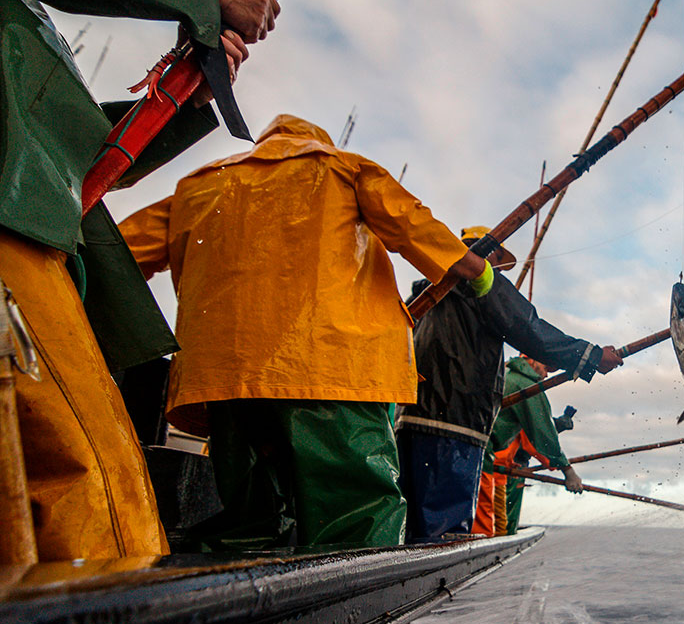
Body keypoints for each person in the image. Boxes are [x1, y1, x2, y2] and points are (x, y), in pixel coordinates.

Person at [0, 0, 278, 564]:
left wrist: (185, 101)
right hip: (15, 237)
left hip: (38, 234)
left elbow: (76, 157)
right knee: (94, 489)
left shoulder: (24, 27)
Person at [119, 115, 489, 550]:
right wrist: (475, 270)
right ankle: (356, 593)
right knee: (354, 514)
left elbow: (119, 255)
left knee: (250, 513)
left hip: (223, 375)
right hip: (329, 366)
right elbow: (410, 223)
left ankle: (232, 580)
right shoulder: (342, 166)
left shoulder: (195, 186)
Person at [395, 227, 622, 541]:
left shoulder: (423, 295)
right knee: (442, 535)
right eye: (496, 260)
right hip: (456, 429)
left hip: (406, 423)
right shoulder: (480, 284)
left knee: (410, 526)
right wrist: (592, 356)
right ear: (488, 255)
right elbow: (529, 329)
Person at [484, 355, 583, 535]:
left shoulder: (505, 375)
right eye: (546, 368)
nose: (546, 375)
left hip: (484, 458)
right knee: (486, 527)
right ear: (531, 359)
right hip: (484, 461)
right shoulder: (525, 385)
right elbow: (543, 436)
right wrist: (568, 471)